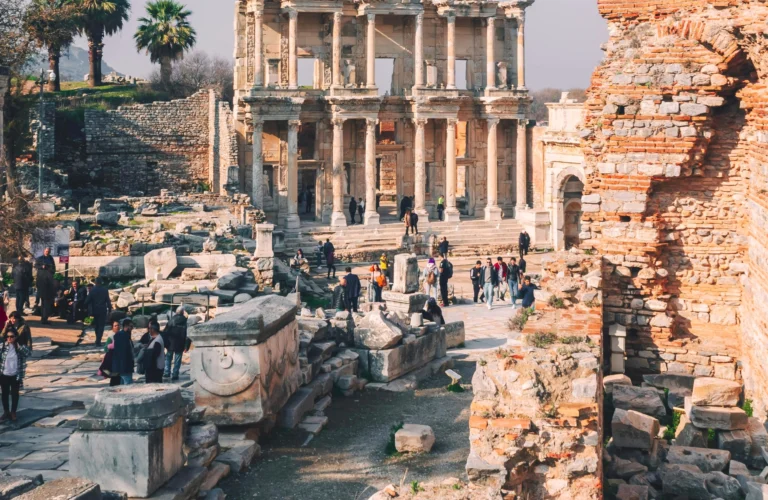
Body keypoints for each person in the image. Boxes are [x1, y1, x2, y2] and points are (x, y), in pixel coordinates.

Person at [0, 328, 31, 422]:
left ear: (16, 337)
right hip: (4, 374)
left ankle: (13, 412)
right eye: (8, 336)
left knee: (14, 394)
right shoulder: (2, 347)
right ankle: (6, 411)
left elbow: (28, 353)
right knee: (4, 394)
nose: (9, 338)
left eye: (11, 336)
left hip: (15, 375)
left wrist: (19, 346)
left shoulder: (19, 347)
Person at [85, 277, 112, 347]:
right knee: (101, 326)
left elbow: (87, 301)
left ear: (95, 282)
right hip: (102, 310)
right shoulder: (105, 290)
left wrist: (85, 307)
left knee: (96, 325)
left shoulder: (92, 290)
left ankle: (98, 339)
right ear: (101, 282)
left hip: (95, 310)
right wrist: (110, 309)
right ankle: (98, 340)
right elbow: (108, 301)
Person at [163, 307, 188, 381]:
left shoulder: (171, 320)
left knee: (168, 358)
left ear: (176, 312)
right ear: (183, 312)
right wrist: (186, 346)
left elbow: (166, 332)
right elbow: (187, 335)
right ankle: (175, 374)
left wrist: (165, 343)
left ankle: (167, 372)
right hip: (180, 343)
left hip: (170, 343)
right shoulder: (185, 321)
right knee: (177, 360)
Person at [35, 247, 56, 325]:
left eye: (49, 251)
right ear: (44, 251)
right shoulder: (40, 259)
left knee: (47, 303)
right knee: (44, 302)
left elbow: (53, 269)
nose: (47, 252)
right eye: (46, 251)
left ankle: (45, 318)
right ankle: (43, 318)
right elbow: (36, 266)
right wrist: (42, 267)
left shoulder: (51, 259)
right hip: (42, 283)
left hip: (49, 283)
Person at [111, 318, 135, 385]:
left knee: (122, 385)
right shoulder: (123, 336)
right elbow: (123, 353)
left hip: (122, 367)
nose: (132, 328)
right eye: (131, 326)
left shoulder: (123, 335)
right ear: (126, 326)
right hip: (124, 367)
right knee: (128, 385)